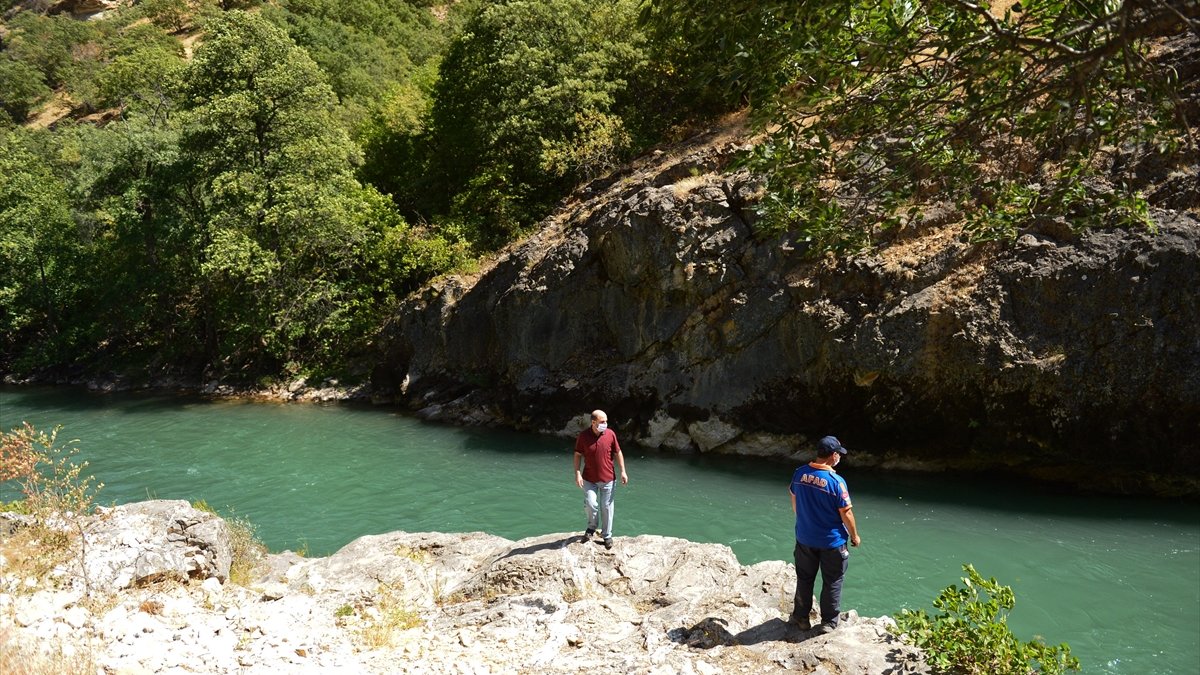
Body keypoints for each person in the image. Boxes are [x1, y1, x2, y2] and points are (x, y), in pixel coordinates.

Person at [788, 435, 861, 633]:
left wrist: (805, 520)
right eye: (838, 454)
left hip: (804, 537)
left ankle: (801, 618)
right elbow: (846, 512)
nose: (839, 457)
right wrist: (855, 536)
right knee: (833, 581)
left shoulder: (799, 473)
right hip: (832, 542)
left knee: (804, 578)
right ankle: (828, 623)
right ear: (833, 455)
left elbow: (794, 501)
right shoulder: (836, 482)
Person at [573, 409, 628, 550]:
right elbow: (578, 454)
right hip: (589, 479)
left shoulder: (610, 434)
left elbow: (618, 452)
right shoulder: (583, 436)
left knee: (607, 507)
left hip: (608, 479)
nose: (605, 424)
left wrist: (623, 471)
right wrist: (577, 473)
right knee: (591, 503)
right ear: (593, 422)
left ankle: (607, 535)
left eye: (606, 421)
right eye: (602, 422)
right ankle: (591, 527)